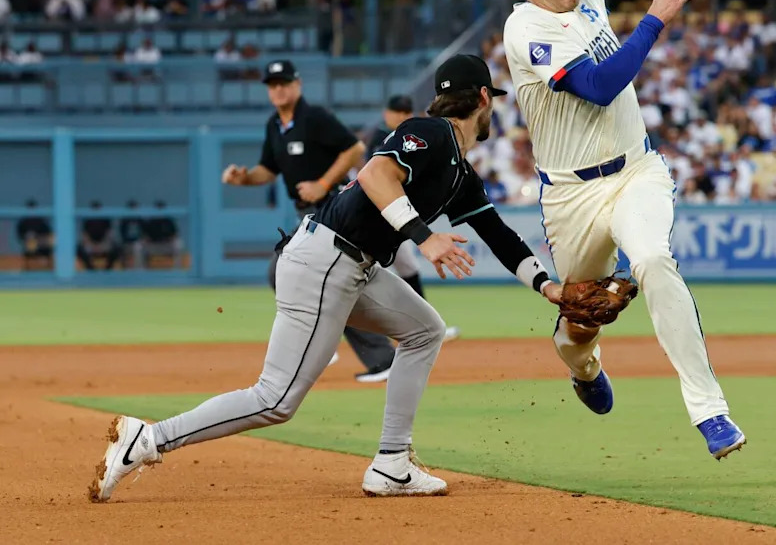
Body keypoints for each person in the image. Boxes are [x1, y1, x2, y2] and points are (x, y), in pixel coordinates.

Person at [89, 53, 562, 502]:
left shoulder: (458, 171)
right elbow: (376, 175)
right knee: (275, 399)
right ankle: (148, 439)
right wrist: (423, 237)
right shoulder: (430, 132)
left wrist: (550, 287)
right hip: (327, 260)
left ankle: (392, 464)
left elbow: (499, 235)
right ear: (483, 97)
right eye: (493, 100)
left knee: (425, 330)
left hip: (350, 264)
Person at [502, 0, 746, 460]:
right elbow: (600, 85)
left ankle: (711, 413)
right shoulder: (527, 31)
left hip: (637, 171)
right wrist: (654, 21)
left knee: (654, 261)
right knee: (578, 323)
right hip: (572, 197)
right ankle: (584, 370)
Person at [220, 59, 397, 381]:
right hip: (310, 213)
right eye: (273, 85)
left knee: (286, 270)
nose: (278, 89)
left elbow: (354, 148)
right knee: (326, 283)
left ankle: (321, 343)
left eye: (284, 83)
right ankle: (371, 355)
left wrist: (323, 183)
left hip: (334, 208)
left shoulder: (314, 117)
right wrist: (243, 179)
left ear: (297, 85)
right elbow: (267, 170)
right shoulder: (274, 125)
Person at [365, 94, 463, 365]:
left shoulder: (415, 134)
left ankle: (420, 324)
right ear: (387, 114)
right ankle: (400, 331)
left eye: (406, 110)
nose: (402, 115)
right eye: (398, 111)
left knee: (405, 268)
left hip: (398, 217)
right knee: (372, 275)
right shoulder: (382, 137)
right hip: (379, 215)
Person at [76, 201, 121, 271]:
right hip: (91, 245)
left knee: (117, 249)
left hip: (103, 244)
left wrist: (101, 246)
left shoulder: (105, 219)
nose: (96, 210)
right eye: (94, 209)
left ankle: (107, 269)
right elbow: (85, 235)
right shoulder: (88, 220)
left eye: (97, 208)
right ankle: (90, 268)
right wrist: (92, 245)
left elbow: (109, 234)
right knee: (78, 249)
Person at [16, 199, 53, 270]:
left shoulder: (42, 222)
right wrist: (27, 238)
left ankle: (46, 267)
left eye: (33, 209)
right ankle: (28, 269)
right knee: (30, 246)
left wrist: (39, 240)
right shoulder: (23, 223)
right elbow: (20, 237)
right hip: (29, 248)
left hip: (43, 247)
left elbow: (48, 236)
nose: (31, 212)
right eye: (29, 209)